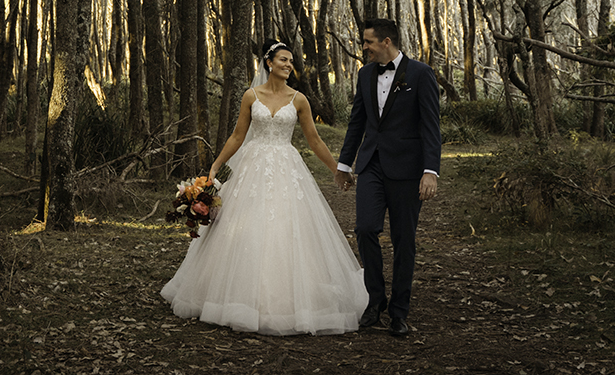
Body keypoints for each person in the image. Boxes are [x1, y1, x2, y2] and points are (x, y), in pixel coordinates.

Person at [161, 40, 366, 335]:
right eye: (283, 59)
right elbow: (237, 136)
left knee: (286, 229)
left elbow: (315, 140)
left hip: (286, 168)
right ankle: (234, 297)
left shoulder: (299, 99)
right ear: (269, 63)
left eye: (291, 61)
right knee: (246, 227)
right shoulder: (251, 95)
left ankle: (288, 300)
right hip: (252, 167)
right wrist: (216, 166)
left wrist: (338, 170)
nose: (288, 65)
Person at [335, 17, 441, 338]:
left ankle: (399, 311)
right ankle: (375, 299)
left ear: (386, 41)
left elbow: (430, 126)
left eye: (368, 41)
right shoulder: (364, 74)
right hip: (371, 164)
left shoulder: (420, 74)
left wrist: (430, 171)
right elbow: (357, 121)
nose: (364, 47)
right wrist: (344, 163)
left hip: (408, 169)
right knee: (365, 228)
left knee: (403, 240)